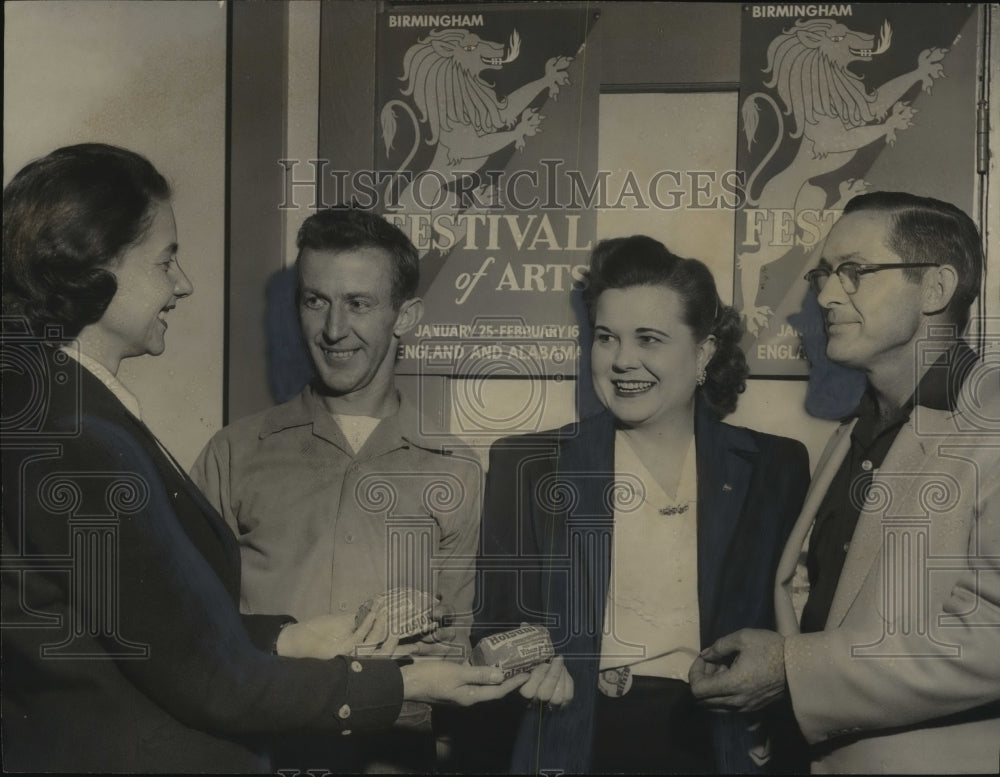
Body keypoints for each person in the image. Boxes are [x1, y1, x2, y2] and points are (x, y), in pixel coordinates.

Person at [0, 143, 528, 774]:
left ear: (403, 316)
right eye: (166, 258)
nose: (184, 282)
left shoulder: (71, 413)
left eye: (359, 303)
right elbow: (204, 671)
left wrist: (291, 637)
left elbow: (167, 634)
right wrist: (402, 684)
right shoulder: (83, 433)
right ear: (96, 263)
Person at [471, 236, 811, 774]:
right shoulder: (528, 464)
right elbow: (494, 625)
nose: (623, 360)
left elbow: (798, 627)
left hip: (724, 748)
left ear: (702, 352)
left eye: (649, 339)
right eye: (607, 338)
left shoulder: (776, 467)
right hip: (576, 740)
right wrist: (527, 666)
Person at [689, 191, 1000, 774]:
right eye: (825, 274)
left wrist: (790, 670)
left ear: (935, 289)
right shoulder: (857, 430)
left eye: (854, 272)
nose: (826, 296)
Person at [189, 207, 486, 772]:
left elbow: (455, 643)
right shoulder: (234, 452)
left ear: (406, 317)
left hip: (394, 753)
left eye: (359, 303)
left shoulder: (455, 469)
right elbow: (193, 632)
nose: (332, 329)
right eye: (315, 300)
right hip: (261, 749)